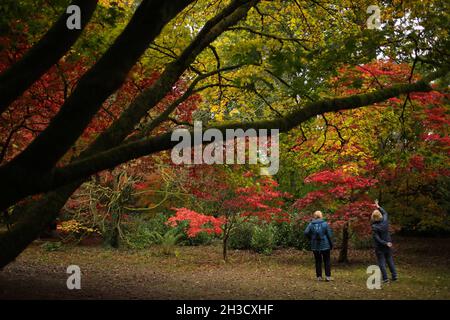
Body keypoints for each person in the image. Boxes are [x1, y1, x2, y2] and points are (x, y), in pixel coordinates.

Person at [371, 200, 398, 283]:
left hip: (380, 247)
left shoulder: (374, 227)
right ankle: (394, 276)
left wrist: (385, 243)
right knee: (390, 260)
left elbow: (377, 239)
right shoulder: (385, 221)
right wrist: (378, 206)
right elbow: (385, 213)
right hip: (388, 244)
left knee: (381, 262)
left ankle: (385, 279)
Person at [304, 211, 333, 281]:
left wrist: (311, 238)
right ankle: (328, 277)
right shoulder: (325, 224)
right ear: (321, 216)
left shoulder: (311, 224)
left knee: (318, 261)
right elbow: (329, 235)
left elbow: (306, 232)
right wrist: (331, 244)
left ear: (314, 216)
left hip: (315, 245)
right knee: (327, 260)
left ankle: (319, 277)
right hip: (325, 245)